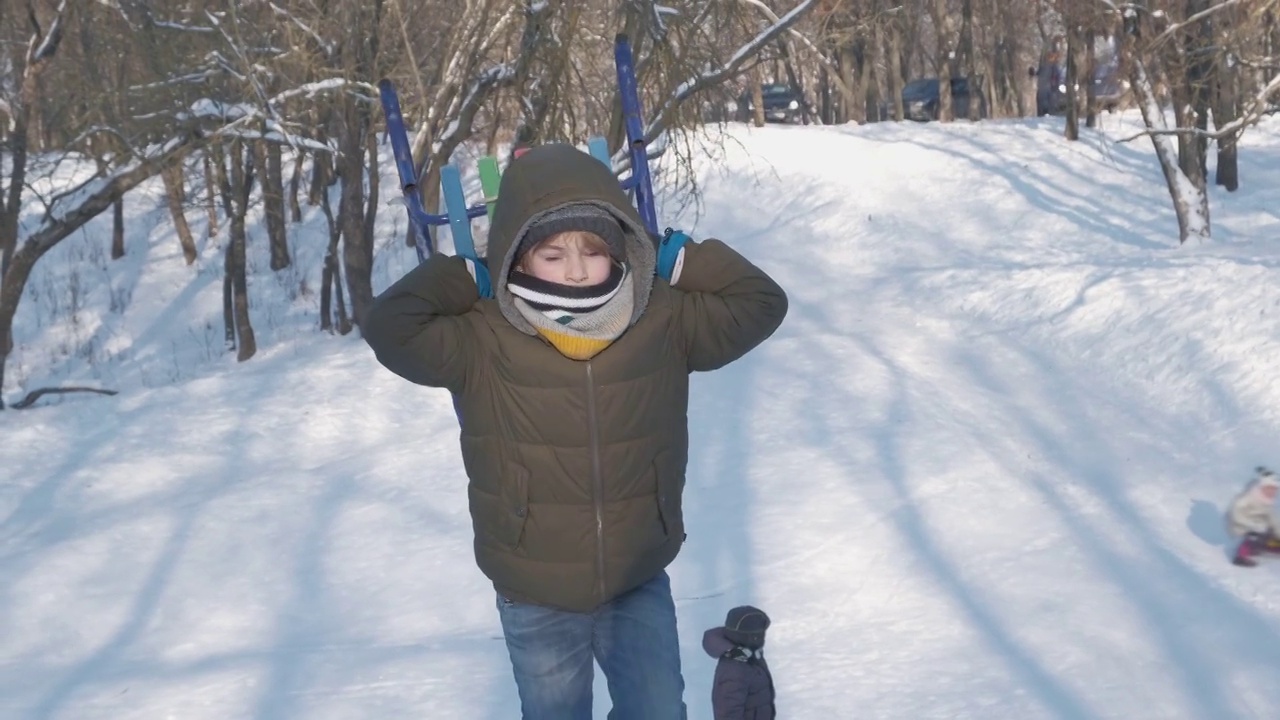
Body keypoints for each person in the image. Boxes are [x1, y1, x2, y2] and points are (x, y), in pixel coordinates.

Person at [362, 143, 788, 719]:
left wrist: (681, 261)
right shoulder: (481, 339)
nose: (578, 268)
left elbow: (761, 302)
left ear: (620, 250)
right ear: (516, 257)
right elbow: (390, 326)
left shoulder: (661, 319)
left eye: (593, 249)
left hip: (637, 571)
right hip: (534, 585)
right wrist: (464, 276)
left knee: (660, 712)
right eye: (552, 254)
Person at [702, 605, 776, 720]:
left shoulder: (749, 657)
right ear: (750, 637)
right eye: (760, 634)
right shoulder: (735, 670)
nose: (763, 638)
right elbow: (727, 714)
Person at [1226, 466, 1280, 567]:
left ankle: (1267, 546)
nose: (1273, 492)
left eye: (1274, 489)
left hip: (1263, 529)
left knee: (1271, 534)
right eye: (1270, 488)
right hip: (1249, 529)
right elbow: (1237, 515)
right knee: (1257, 534)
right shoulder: (1248, 499)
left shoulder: (1265, 499)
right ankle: (1241, 556)